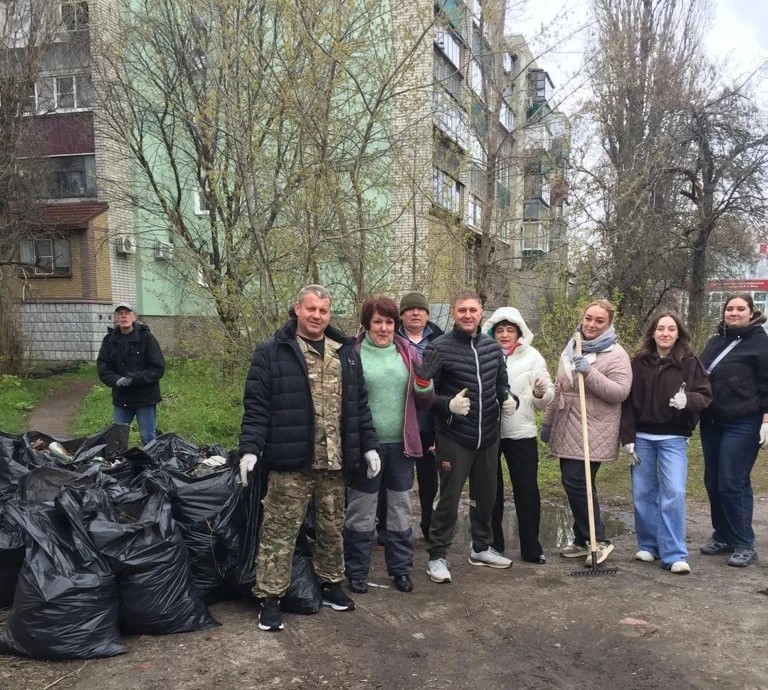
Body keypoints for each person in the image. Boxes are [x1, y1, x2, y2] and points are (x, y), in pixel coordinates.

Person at [238, 285, 380, 632]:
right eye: (311, 309)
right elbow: (257, 407)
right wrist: (250, 449)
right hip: (292, 461)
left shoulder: (345, 352)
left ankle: (332, 585)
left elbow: (358, 405)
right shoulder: (272, 352)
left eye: (324, 311)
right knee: (279, 532)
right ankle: (270, 599)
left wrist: (368, 445)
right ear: (297, 309)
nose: (317, 316)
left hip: (334, 462)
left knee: (332, 529)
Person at [415, 289, 517, 584]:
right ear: (453, 313)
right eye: (462, 310)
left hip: (487, 437)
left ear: (481, 312)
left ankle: (481, 547)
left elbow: (501, 384)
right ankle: (436, 556)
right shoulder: (439, 347)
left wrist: (511, 399)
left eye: (473, 310)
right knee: (447, 498)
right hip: (454, 436)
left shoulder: (491, 348)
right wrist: (447, 404)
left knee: (486, 496)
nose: (468, 315)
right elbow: (422, 396)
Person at [343, 297, 435, 594]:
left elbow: (425, 400)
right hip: (364, 446)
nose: (383, 328)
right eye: (377, 322)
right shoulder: (352, 354)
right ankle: (356, 571)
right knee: (362, 511)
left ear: (396, 324)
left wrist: (424, 381)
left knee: (400, 509)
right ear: (367, 324)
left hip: (402, 446)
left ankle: (401, 569)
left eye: (389, 322)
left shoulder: (407, 352)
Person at [541, 299, 632, 566]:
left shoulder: (616, 354)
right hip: (567, 424)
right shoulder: (572, 347)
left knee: (577, 482)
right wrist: (547, 423)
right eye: (588, 318)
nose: (591, 324)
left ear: (609, 324)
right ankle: (583, 540)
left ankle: (598, 540)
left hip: (594, 427)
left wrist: (589, 372)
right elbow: (560, 387)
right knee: (575, 483)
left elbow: (619, 392)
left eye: (599, 320)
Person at [620, 312, 712, 574]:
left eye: (671, 329)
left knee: (673, 492)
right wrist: (627, 438)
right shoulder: (638, 363)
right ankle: (649, 545)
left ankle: (674, 553)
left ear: (678, 333)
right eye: (660, 328)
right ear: (652, 333)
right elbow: (626, 403)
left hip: (673, 437)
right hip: (642, 438)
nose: (665, 333)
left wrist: (688, 401)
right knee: (642, 494)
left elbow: (705, 395)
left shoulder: (690, 363)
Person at [698, 293, 768, 568]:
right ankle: (723, 535)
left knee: (732, 481)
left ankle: (743, 543)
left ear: (751, 312)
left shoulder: (762, 344)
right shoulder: (715, 342)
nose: (734, 313)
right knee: (713, 481)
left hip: (743, 422)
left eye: (741, 309)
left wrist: (766, 420)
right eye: (730, 308)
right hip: (712, 421)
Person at [483, 307, 554, 564]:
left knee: (526, 490)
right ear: (492, 332)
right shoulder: (483, 353)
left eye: (509, 330)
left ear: (518, 332)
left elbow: (546, 400)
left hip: (520, 431)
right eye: (499, 330)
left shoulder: (532, 357)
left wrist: (539, 392)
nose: (504, 335)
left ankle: (531, 547)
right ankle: (494, 544)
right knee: (491, 489)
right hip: (490, 431)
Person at [395, 291, 444, 541]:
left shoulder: (440, 342)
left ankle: (428, 526)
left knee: (428, 481)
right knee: (395, 482)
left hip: (429, 424)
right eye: (410, 309)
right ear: (401, 315)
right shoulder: (389, 340)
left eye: (421, 310)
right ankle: (391, 530)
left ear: (427, 314)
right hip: (399, 424)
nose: (416, 313)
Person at [97, 302, 165, 446]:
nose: (123, 316)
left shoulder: (146, 338)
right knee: (117, 440)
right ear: (115, 318)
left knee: (148, 437)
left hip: (145, 398)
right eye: (120, 313)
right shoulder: (109, 341)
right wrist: (117, 380)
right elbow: (103, 368)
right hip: (122, 399)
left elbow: (158, 368)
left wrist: (135, 378)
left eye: (127, 313)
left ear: (134, 317)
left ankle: (152, 465)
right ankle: (119, 466)